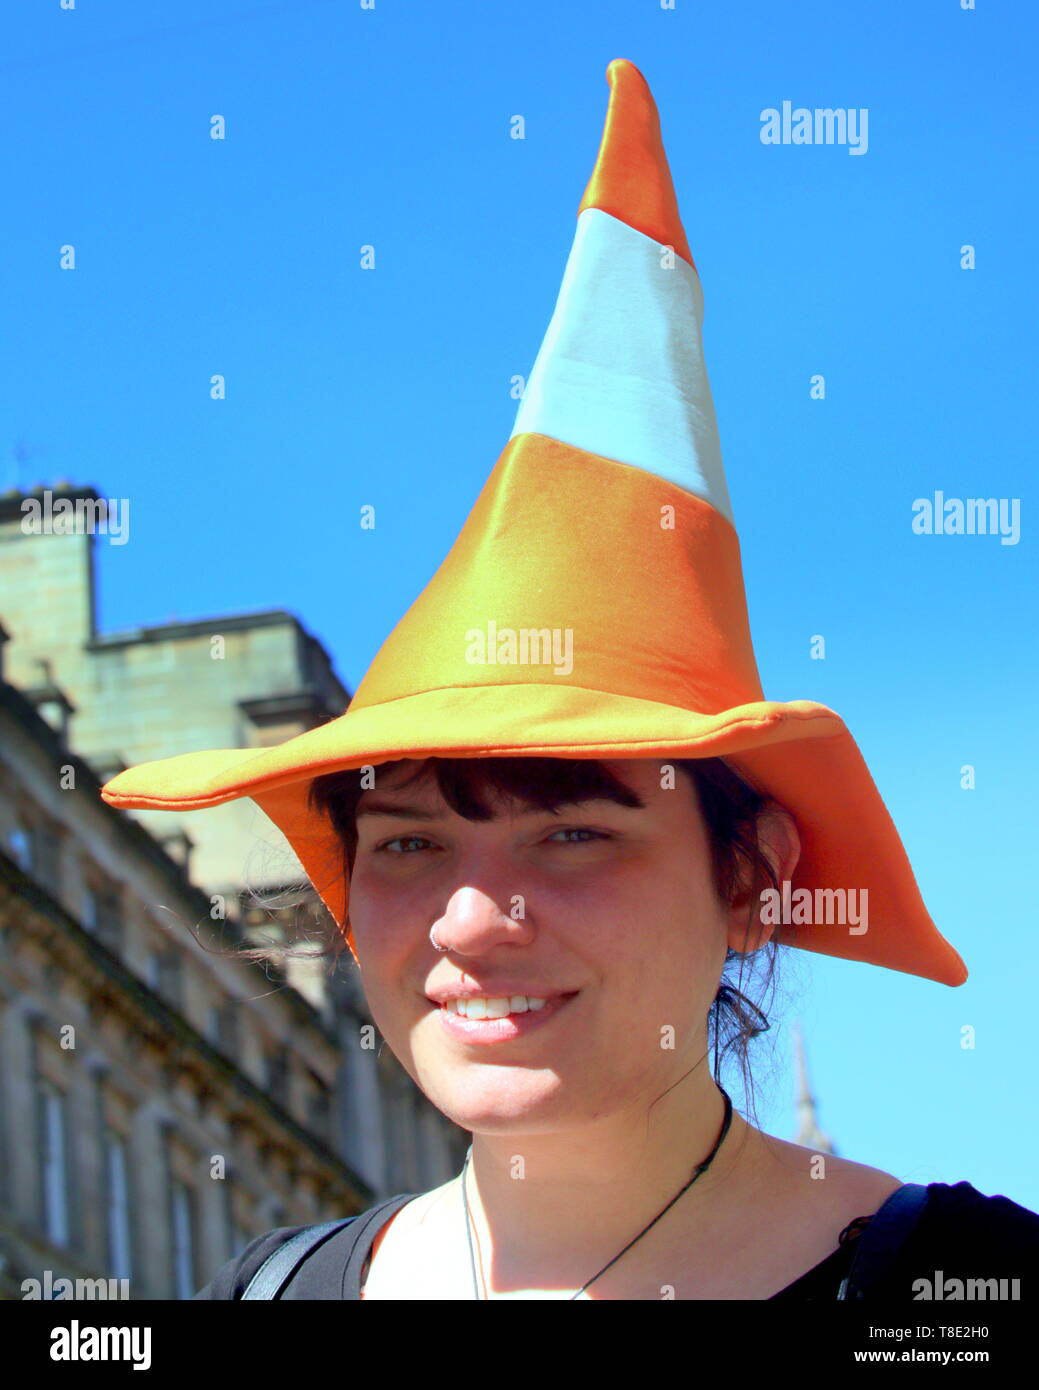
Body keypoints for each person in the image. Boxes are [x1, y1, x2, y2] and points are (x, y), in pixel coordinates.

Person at [103, 60, 1038, 1299]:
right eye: (404, 845)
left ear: (752, 878)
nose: (469, 922)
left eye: (573, 832)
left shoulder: (963, 1295)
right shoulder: (266, 1290)